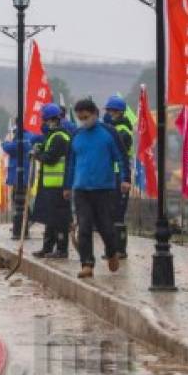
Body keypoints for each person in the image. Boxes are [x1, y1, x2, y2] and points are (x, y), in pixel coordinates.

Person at [63, 99, 129, 279]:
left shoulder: (109, 133)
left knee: (106, 227)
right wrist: (67, 186)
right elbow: (70, 163)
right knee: (83, 227)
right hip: (81, 189)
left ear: (95, 114)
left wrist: (125, 179)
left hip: (104, 189)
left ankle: (112, 251)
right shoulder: (76, 136)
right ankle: (87, 264)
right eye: (80, 118)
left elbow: (121, 158)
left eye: (86, 117)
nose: (83, 121)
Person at [31, 103, 73, 259]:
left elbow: (50, 158)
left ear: (52, 120)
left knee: (60, 220)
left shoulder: (60, 137)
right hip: (50, 185)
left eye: (46, 120)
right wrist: (39, 148)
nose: (45, 123)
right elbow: (46, 150)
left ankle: (62, 250)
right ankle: (47, 248)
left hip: (59, 185)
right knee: (50, 218)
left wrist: (37, 156)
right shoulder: (53, 136)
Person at [103, 95, 133, 259]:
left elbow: (118, 153)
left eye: (112, 111)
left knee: (118, 214)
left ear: (120, 112)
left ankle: (120, 250)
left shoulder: (123, 131)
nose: (109, 113)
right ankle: (113, 249)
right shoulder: (113, 128)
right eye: (108, 110)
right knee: (111, 213)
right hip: (111, 176)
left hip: (120, 177)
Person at [2, 126, 34, 239]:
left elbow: (9, 148)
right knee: (22, 198)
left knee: (18, 198)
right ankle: (24, 221)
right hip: (26, 172)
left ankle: (23, 221)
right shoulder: (30, 136)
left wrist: (6, 140)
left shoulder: (20, 138)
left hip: (19, 174)